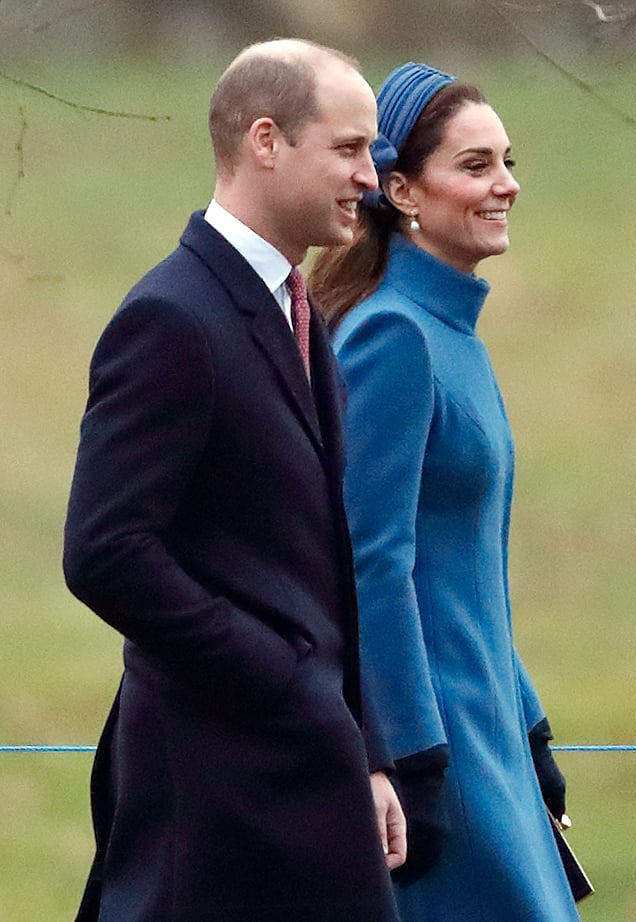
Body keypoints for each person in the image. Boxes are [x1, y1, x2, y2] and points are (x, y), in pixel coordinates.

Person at [63, 39, 406, 922]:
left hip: (305, 774)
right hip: (215, 795)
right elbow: (105, 551)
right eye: (349, 148)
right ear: (266, 140)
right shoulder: (171, 318)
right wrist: (278, 673)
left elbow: (320, 559)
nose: (370, 177)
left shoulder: (301, 315)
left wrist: (363, 751)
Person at [310, 62, 581, 921]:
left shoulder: (453, 330)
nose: (507, 185)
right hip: (441, 748)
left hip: (488, 728)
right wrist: (415, 760)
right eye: (475, 166)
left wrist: (529, 723)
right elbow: (371, 566)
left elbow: (472, 573)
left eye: (506, 160)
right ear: (402, 191)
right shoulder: (393, 335)